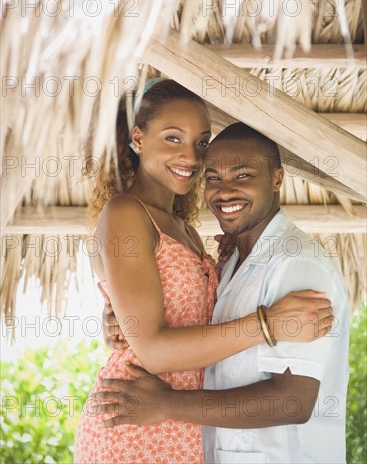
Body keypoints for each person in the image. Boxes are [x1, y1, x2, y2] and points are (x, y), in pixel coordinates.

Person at [74, 81, 333, 464]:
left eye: (200, 142)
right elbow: (154, 352)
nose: (191, 156)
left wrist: (120, 324)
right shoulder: (126, 213)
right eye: (173, 137)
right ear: (138, 138)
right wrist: (268, 323)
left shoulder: (184, 228)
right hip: (137, 420)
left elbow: (180, 320)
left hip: (183, 420)